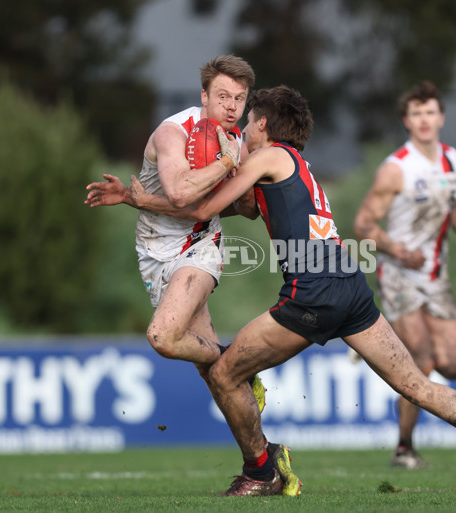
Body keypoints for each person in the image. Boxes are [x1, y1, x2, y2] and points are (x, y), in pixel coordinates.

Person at [127, 85, 456, 496]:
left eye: (247, 124)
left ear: (262, 124)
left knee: (224, 375)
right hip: (350, 286)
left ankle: (260, 473)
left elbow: (204, 207)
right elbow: (244, 206)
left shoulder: (267, 157)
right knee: (418, 385)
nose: (241, 131)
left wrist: (142, 199)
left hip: (313, 293)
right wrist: (228, 160)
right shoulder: (293, 164)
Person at [84, 56, 301, 496]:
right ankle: (263, 467)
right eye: (222, 96)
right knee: (218, 375)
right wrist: (223, 165)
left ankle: (228, 355)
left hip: (200, 248)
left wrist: (233, 176)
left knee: (163, 336)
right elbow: (180, 191)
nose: (231, 107)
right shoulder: (172, 132)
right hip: (153, 254)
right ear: (203, 95)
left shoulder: (240, 144)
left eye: (239, 99)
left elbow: (243, 208)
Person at [349, 80, 456, 468]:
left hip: (435, 276)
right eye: (416, 114)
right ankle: (404, 448)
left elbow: (454, 205)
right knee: (421, 358)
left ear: (440, 117)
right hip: (398, 273)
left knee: (454, 363)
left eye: (430, 112)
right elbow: (363, 223)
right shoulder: (396, 169)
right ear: (406, 121)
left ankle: (394, 351)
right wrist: (396, 249)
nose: (424, 120)